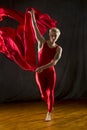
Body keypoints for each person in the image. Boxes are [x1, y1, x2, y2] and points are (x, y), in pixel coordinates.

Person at [30, 10, 62, 121]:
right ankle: (49, 104)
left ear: (58, 37)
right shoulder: (42, 42)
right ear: (49, 34)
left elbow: (54, 62)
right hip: (40, 74)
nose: (53, 37)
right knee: (44, 95)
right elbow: (35, 29)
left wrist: (42, 68)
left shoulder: (59, 49)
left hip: (50, 72)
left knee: (51, 92)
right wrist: (33, 16)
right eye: (52, 35)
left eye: (56, 36)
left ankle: (49, 112)